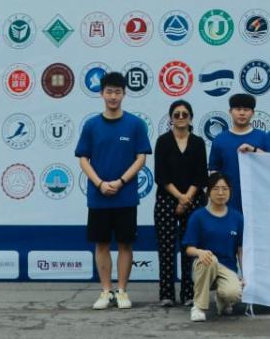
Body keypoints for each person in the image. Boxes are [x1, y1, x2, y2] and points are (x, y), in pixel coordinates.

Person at [75, 71, 151, 310]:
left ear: (124, 94)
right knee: (101, 244)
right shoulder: (91, 125)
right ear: (101, 94)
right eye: (109, 92)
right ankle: (106, 291)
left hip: (125, 196)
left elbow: (141, 158)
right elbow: (83, 159)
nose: (113, 96)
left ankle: (122, 291)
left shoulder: (135, 124)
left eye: (118, 92)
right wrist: (99, 183)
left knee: (126, 244)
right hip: (99, 197)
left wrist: (121, 181)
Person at [153, 100, 208, 307]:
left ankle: (188, 293)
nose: (181, 117)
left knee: (190, 248)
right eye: (177, 114)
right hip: (166, 200)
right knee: (166, 249)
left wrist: (186, 199)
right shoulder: (163, 141)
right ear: (171, 118)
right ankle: (166, 294)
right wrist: (179, 197)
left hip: (194, 200)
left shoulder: (198, 142)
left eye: (185, 114)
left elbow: (201, 176)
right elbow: (161, 175)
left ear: (191, 117)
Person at [183, 172, 244, 322]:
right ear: (208, 192)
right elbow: (188, 248)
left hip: (228, 268)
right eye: (216, 189)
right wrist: (200, 252)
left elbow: (240, 249)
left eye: (225, 189)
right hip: (204, 265)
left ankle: (223, 300)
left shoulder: (237, 218)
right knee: (210, 259)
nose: (221, 193)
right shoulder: (198, 217)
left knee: (233, 293)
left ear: (230, 191)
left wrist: (245, 273)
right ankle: (198, 307)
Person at [207, 93, 270, 212]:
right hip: (229, 199)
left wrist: (254, 150)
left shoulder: (262, 137)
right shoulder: (220, 139)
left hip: (258, 198)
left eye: (246, 109)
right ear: (230, 111)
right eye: (238, 109)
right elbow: (214, 170)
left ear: (253, 113)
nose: (242, 113)